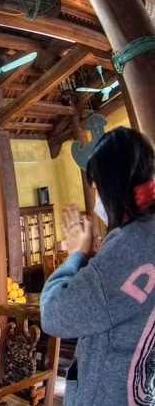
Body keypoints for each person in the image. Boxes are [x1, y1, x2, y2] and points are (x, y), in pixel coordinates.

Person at [41, 126, 155, 406]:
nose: (96, 202)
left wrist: (77, 253)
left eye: (96, 190)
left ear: (111, 186)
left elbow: (54, 313)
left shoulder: (129, 247)